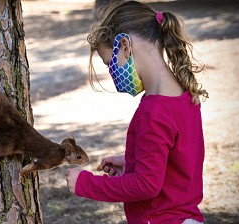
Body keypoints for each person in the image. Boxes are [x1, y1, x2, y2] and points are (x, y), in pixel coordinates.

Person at [65, 1, 209, 224]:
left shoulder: (153, 112)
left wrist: (85, 183)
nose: (112, 73)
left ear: (124, 46)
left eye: (109, 63)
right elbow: (177, 159)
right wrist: (132, 162)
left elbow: (146, 185)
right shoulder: (184, 94)